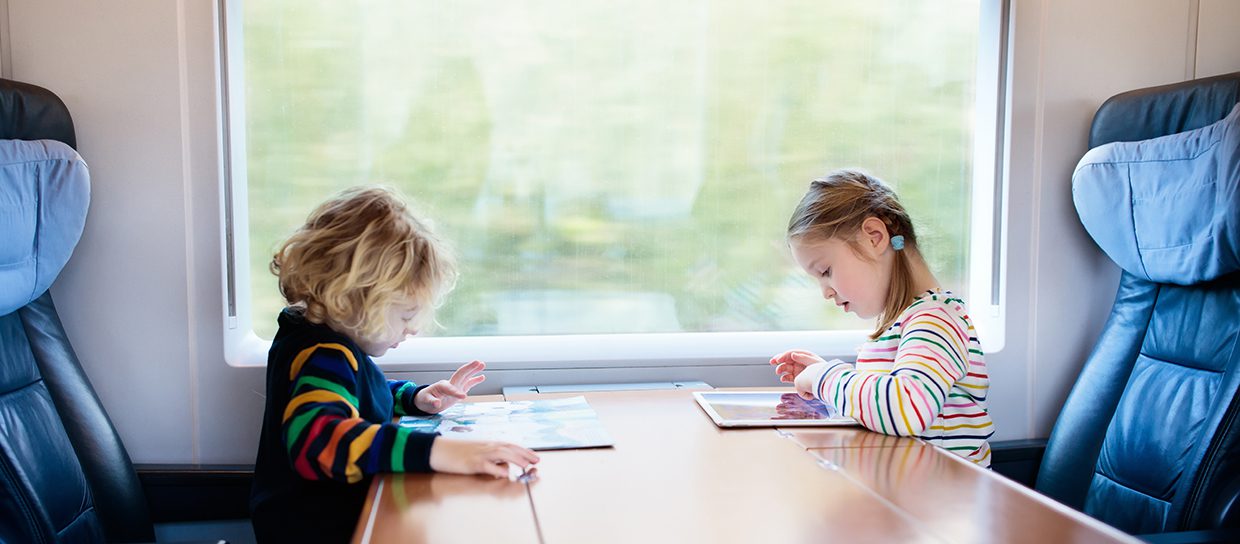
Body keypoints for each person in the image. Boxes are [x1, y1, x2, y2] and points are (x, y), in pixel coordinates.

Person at [250, 186, 540, 543]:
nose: (414, 327)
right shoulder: (322, 356)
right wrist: (439, 452)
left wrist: (413, 398)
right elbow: (318, 440)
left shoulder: (314, 340)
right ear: (355, 298)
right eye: (405, 315)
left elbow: (352, 396)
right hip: (320, 530)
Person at [769, 169, 993, 466]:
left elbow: (906, 409)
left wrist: (825, 378)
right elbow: (882, 404)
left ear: (874, 237)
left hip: (940, 503)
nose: (825, 291)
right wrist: (825, 378)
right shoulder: (902, 324)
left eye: (826, 272)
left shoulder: (936, 320)